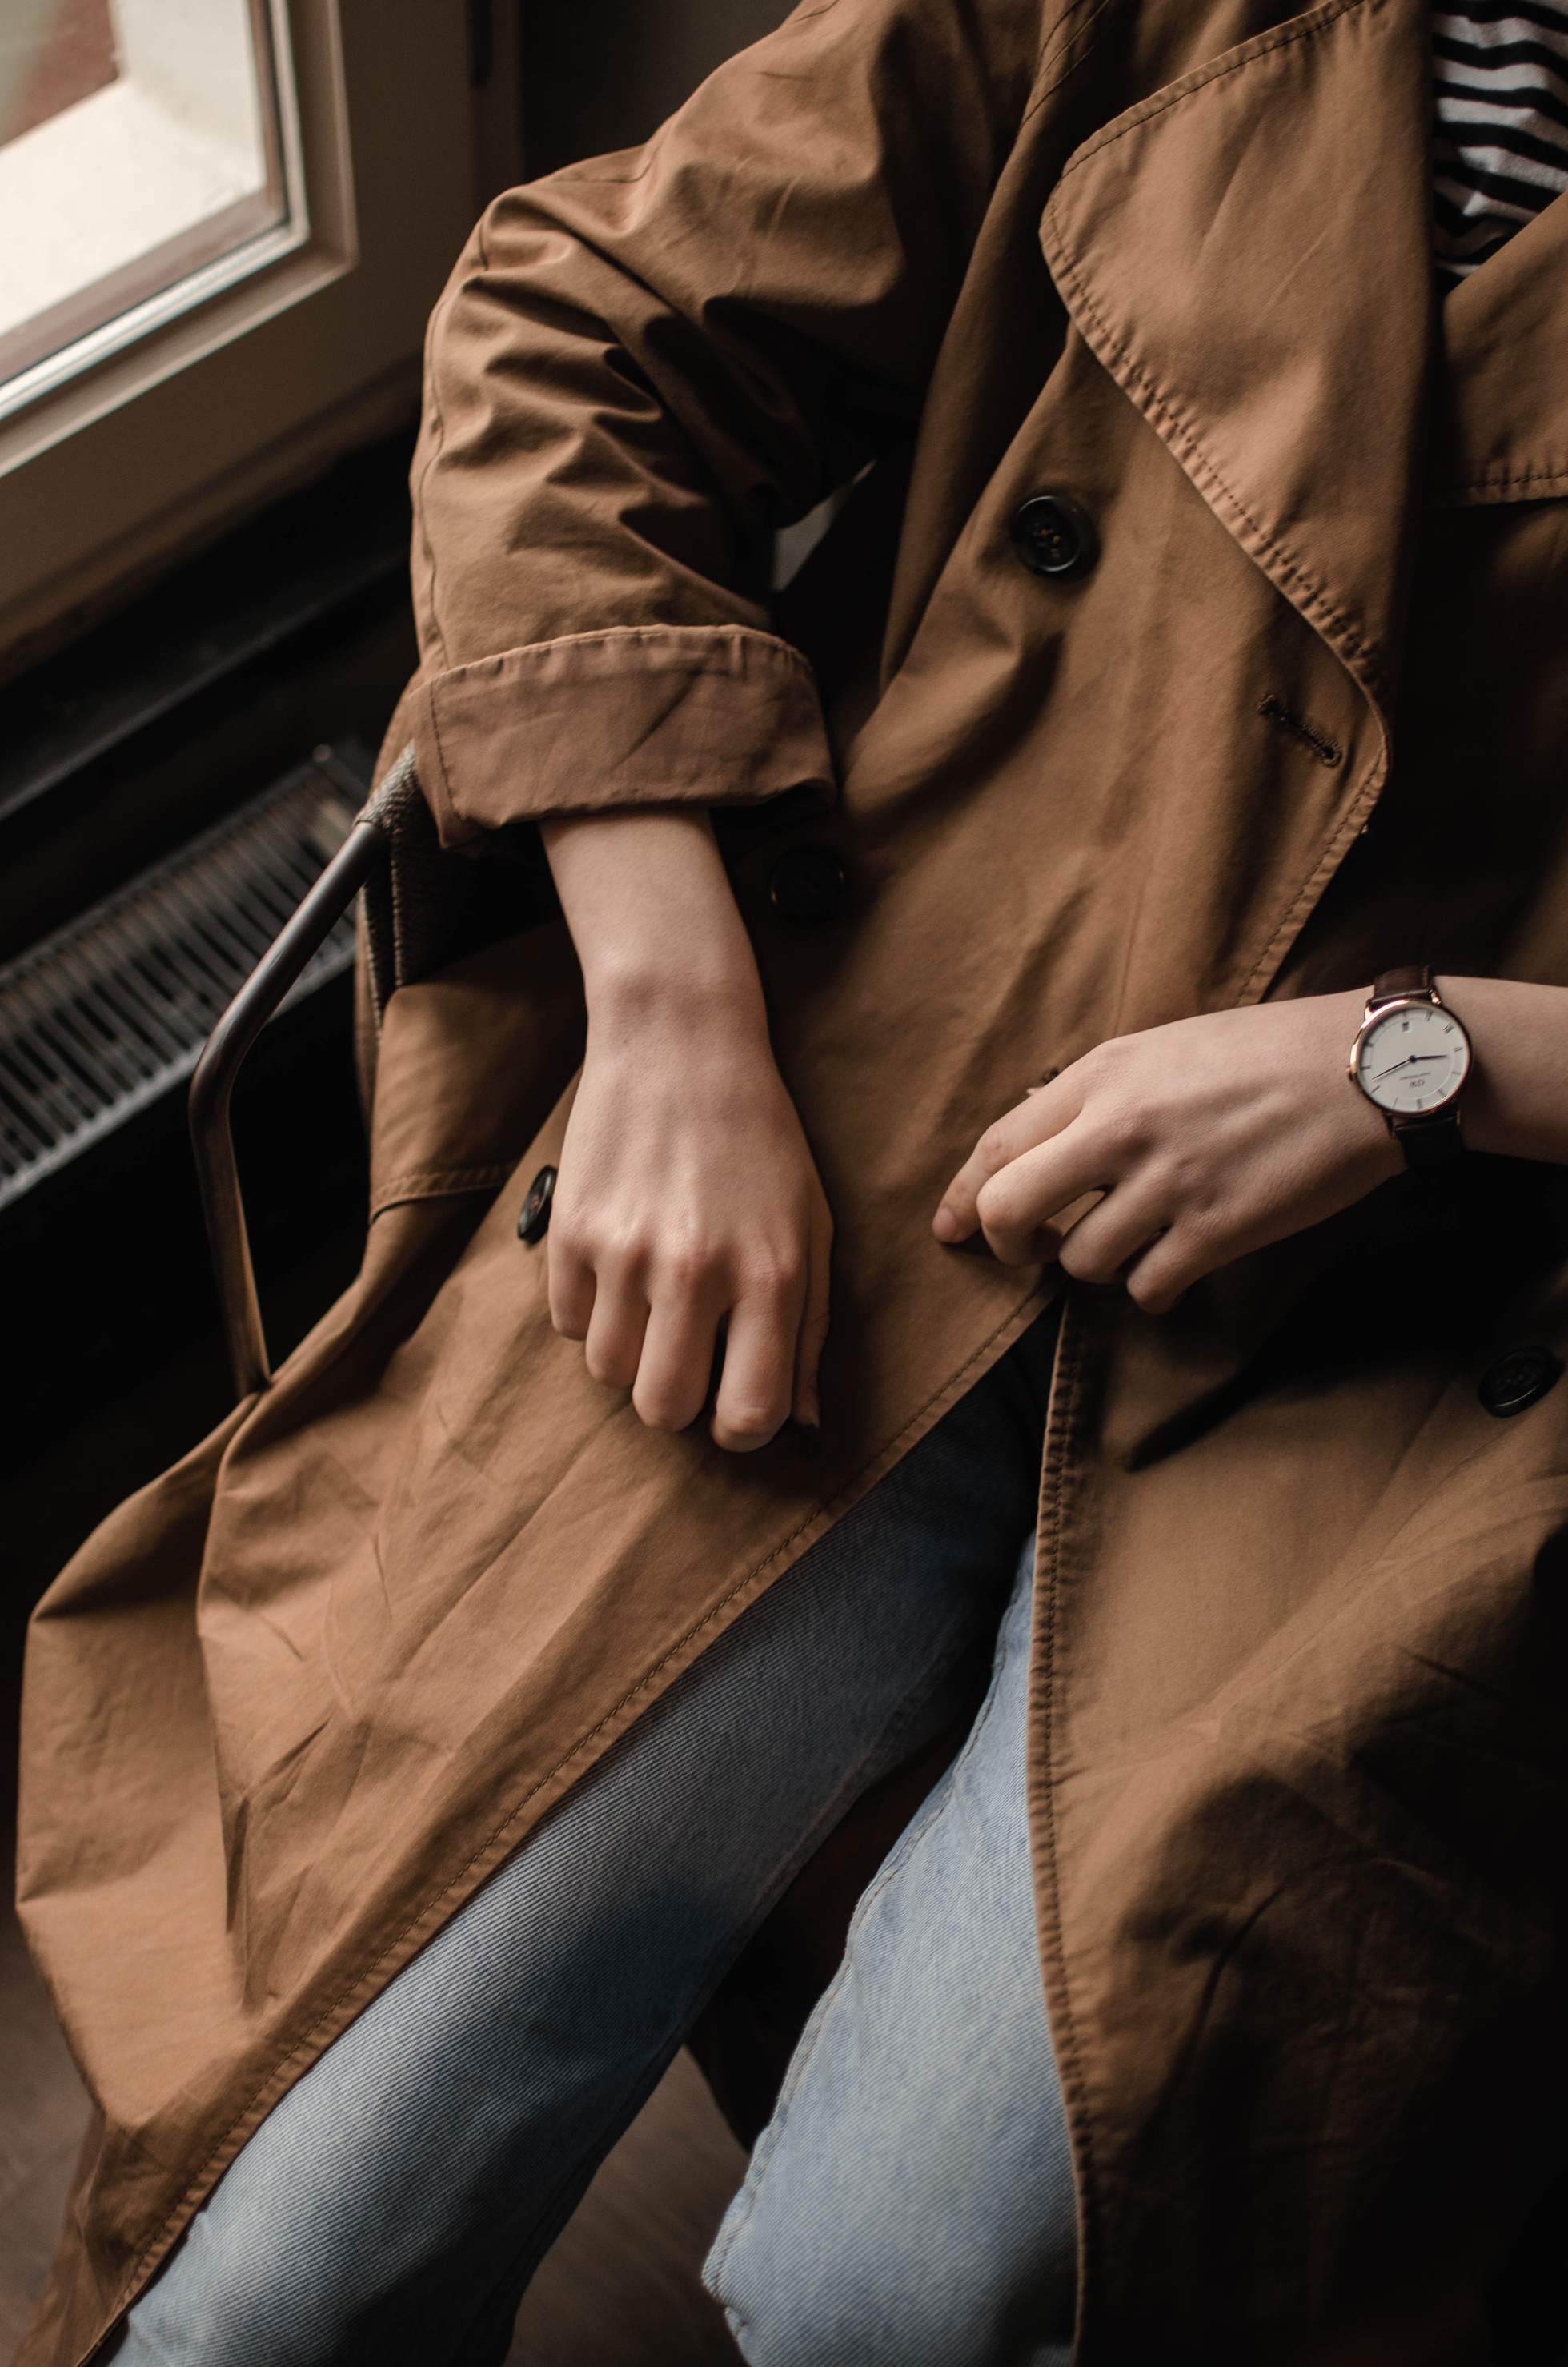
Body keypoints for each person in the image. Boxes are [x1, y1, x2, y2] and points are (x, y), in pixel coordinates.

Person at [16, 0, 1568, 2360]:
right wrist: (674, 1010)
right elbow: (577, 328)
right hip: (895, 1111)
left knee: (910, 2284)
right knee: (267, 2260)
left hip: (1456, 1327)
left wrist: (1428, 1067)